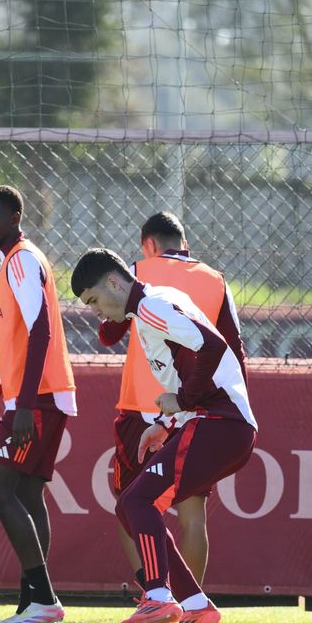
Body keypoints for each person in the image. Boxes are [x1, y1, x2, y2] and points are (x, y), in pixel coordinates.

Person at [71, 247, 257, 623]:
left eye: (94, 300)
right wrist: (164, 424)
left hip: (221, 423)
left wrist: (183, 402)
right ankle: (195, 605)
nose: (97, 312)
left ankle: (158, 595)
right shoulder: (149, 309)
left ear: (114, 282)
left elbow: (213, 347)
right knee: (130, 506)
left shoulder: (152, 306)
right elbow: (188, 372)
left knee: (137, 501)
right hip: (215, 423)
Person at [102, 212, 247, 593]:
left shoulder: (135, 274)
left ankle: (154, 595)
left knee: (130, 507)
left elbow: (108, 333)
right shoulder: (214, 279)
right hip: (197, 410)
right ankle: (187, 605)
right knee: (193, 517)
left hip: (142, 406)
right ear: (185, 243)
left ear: (148, 245)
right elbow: (234, 348)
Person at [0, 185, 77, 623]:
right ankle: (32, 605)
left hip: (38, 398)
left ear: (14, 218)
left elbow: (41, 333)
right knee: (28, 495)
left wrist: (26, 404)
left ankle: (44, 600)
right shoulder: (12, 262)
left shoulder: (22, 261)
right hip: (38, 396)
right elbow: (15, 348)